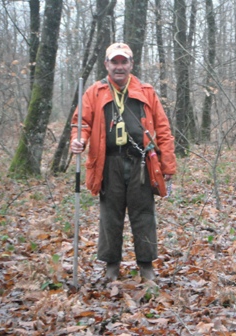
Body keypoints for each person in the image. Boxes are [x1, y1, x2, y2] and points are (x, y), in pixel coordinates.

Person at [70, 42, 176, 281]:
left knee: (144, 215)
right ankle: (111, 267)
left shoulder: (146, 91)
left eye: (123, 62)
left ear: (131, 64)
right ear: (106, 64)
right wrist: (78, 140)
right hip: (108, 164)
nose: (119, 67)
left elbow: (163, 129)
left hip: (142, 163)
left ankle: (146, 268)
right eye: (114, 62)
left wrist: (167, 164)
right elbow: (81, 123)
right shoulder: (94, 92)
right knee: (110, 216)